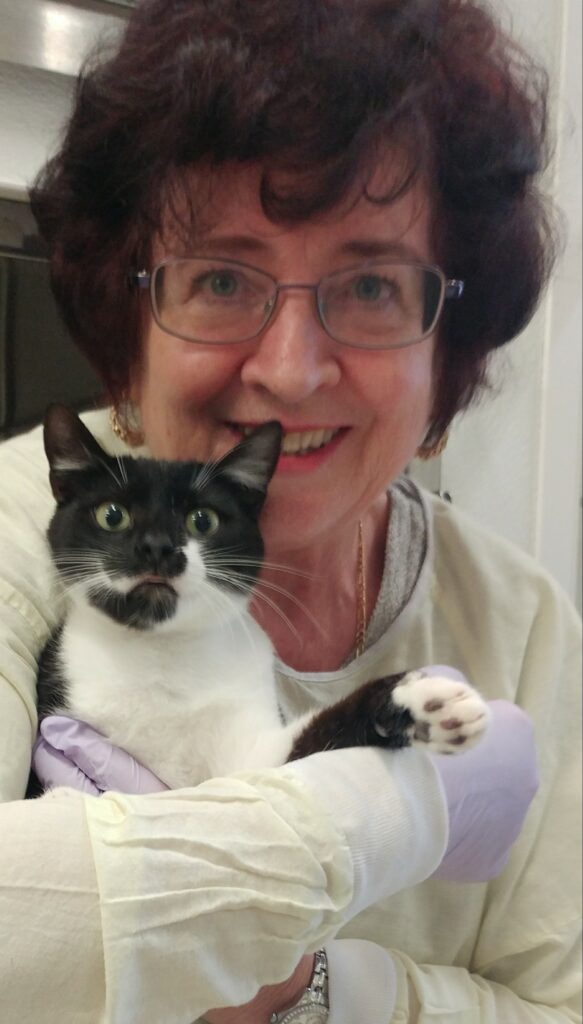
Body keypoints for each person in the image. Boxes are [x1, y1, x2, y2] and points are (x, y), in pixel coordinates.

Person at [0, 1, 580, 1022]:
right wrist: (339, 841)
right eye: (222, 277)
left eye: (367, 286)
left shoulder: (526, 625)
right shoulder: (13, 535)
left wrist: (317, 986)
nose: (289, 369)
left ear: (449, 342)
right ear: (128, 315)